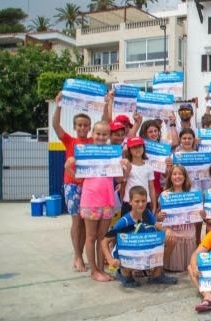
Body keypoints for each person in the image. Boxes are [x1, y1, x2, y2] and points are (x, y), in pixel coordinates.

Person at [64, 121, 127, 282]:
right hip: (90, 199)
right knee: (91, 237)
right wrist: (69, 167)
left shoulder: (113, 153)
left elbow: (120, 178)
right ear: (93, 133)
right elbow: (77, 176)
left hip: (107, 199)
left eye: (104, 134)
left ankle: (101, 269)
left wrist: (126, 168)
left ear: (109, 136)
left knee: (102, 237)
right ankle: (94, 271)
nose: (101, 137)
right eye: (98, 133)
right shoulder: (86, 153)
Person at [102, 186, 177, 287]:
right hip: (126, 253)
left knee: (171, 240)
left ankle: (157, 274)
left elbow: (158, 226)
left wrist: (167, 231)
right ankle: (124, 274)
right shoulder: (123, 222)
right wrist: (110, 260)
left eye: (143, 201)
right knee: (127, 250)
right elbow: (104, 241)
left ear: (147, 201)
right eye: (137, 201)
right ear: (130, 202)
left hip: (141, 249)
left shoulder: (147, 214)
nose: (141, 204)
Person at [52, 93, 93, 272]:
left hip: (89, 186)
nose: (83, 128)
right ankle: (77, 256)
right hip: (72, 185)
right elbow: (55, 125)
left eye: (85, 125)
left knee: (85, 223)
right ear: (75, 127)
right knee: (76, 221)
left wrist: (108, 103)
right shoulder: (69, 140)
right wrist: (59, 105)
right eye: (79, 125)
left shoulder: (93, 141)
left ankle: (81, 254)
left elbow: (106, 121)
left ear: (89, 127)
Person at [157, 165, 197, 272]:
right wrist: (159, 216)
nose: (177, 176)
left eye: (180, 174)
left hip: (187, 230)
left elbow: (197, 214)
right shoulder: (165, 195)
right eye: (174, 174)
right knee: (170, 235)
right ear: (170, 177)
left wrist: (200, 214)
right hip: (171, 230)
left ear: (185, 177)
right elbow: (158, 216)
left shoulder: (192, 193)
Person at [121, 137, 156, 214]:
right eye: (134, 147)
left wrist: (154, 205)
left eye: (140, 146)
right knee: (128, 226)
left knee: (146, 226)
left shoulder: (149, 167)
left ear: (143, 148)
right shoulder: (126, 166)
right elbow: (122, 186)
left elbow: (151, 188)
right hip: (128, 202)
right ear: (129, 150)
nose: (137, 149)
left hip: (145, 203)